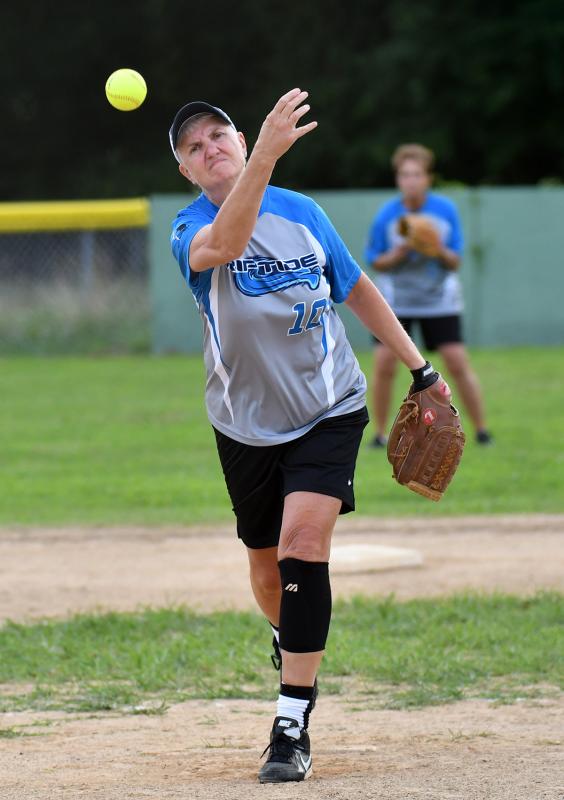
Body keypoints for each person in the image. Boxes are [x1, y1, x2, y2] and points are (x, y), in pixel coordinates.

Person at [169, 90, 451, 783]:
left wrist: (420, 369)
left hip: (330, 406)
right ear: (187, 171)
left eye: (219, 134)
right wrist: (264, 152)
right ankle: (286, 634)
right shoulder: (187, 230)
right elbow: (229, 243)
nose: (212, 148)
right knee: (267, 569)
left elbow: (354, 288)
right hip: (244, 424)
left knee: (302, 547)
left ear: (236, 138)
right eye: (194, 146)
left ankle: (290, 723)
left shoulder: (304, 213)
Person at [364, 143, 492, 448]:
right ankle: (380, 434)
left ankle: (482, 431)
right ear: (398, 179)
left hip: (439, 299)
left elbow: (455, 260)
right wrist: (401, 251)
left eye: (417, 174)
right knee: (383, 364)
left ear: (427, 178)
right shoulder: (387, 215)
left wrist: (434, 249)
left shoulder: (444, 210)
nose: (410, 181)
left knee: (457, 362)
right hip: (397, 300)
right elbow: (374, 260)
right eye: (405, 175)